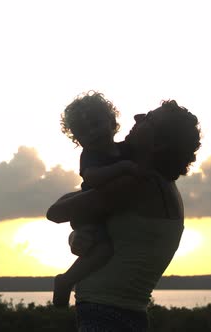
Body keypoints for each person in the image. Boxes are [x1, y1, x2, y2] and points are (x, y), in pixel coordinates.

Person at [46, 100, 201, 331]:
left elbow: (57, 213)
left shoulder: (136, 185)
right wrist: (78, 234)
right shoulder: (153, 183)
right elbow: (88, 206)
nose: (138, 117)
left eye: (148, 118)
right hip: (124, 314)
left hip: (106, 315)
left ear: (158, 143)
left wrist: (78, 229)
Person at [53, 91, 143, 307]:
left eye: (96, 124)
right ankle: (66, 281)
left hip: (107, 212)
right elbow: (91, 177)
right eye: (83, 132)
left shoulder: (125, 149)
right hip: (91, 214)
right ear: (77, 139)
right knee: (103, 249)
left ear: (112, 122)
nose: (92, 133)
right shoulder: (90, 156)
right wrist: (122, 167)